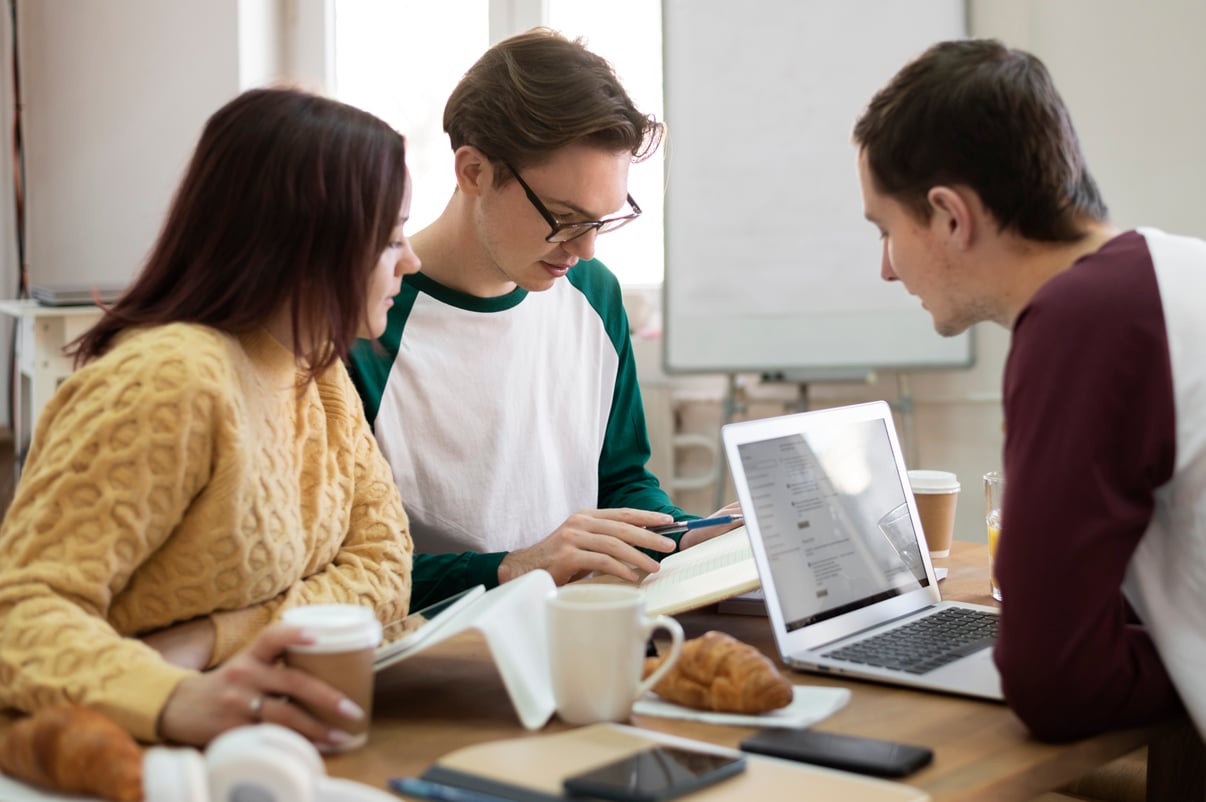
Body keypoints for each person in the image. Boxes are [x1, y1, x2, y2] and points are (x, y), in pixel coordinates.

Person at [0, 87, 420, 748]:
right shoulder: (173, 379)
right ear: (312, 241)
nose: (411, 262)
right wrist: (172, 696)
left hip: (253, 737)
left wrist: (213, 637)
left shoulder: (320, 370)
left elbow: (386, 570)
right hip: (122, 752)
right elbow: (17, 616)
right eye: (392, 239)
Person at [853, 38, 1204, 742]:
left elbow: (1056, 681)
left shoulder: (1085, 322)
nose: (887, 270)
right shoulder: (1176, 273)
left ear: (951, 216)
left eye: (886, 229)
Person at [348, 28, 737, 609]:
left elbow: (621, 482)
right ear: (473, 172)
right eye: (562, 217)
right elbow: (339, 573)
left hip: (585, 632)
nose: (584, 252)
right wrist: (516, 567)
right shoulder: (364, 324)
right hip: (446, 661)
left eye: (602, 222)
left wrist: (690, 534)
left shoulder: (594, 294)